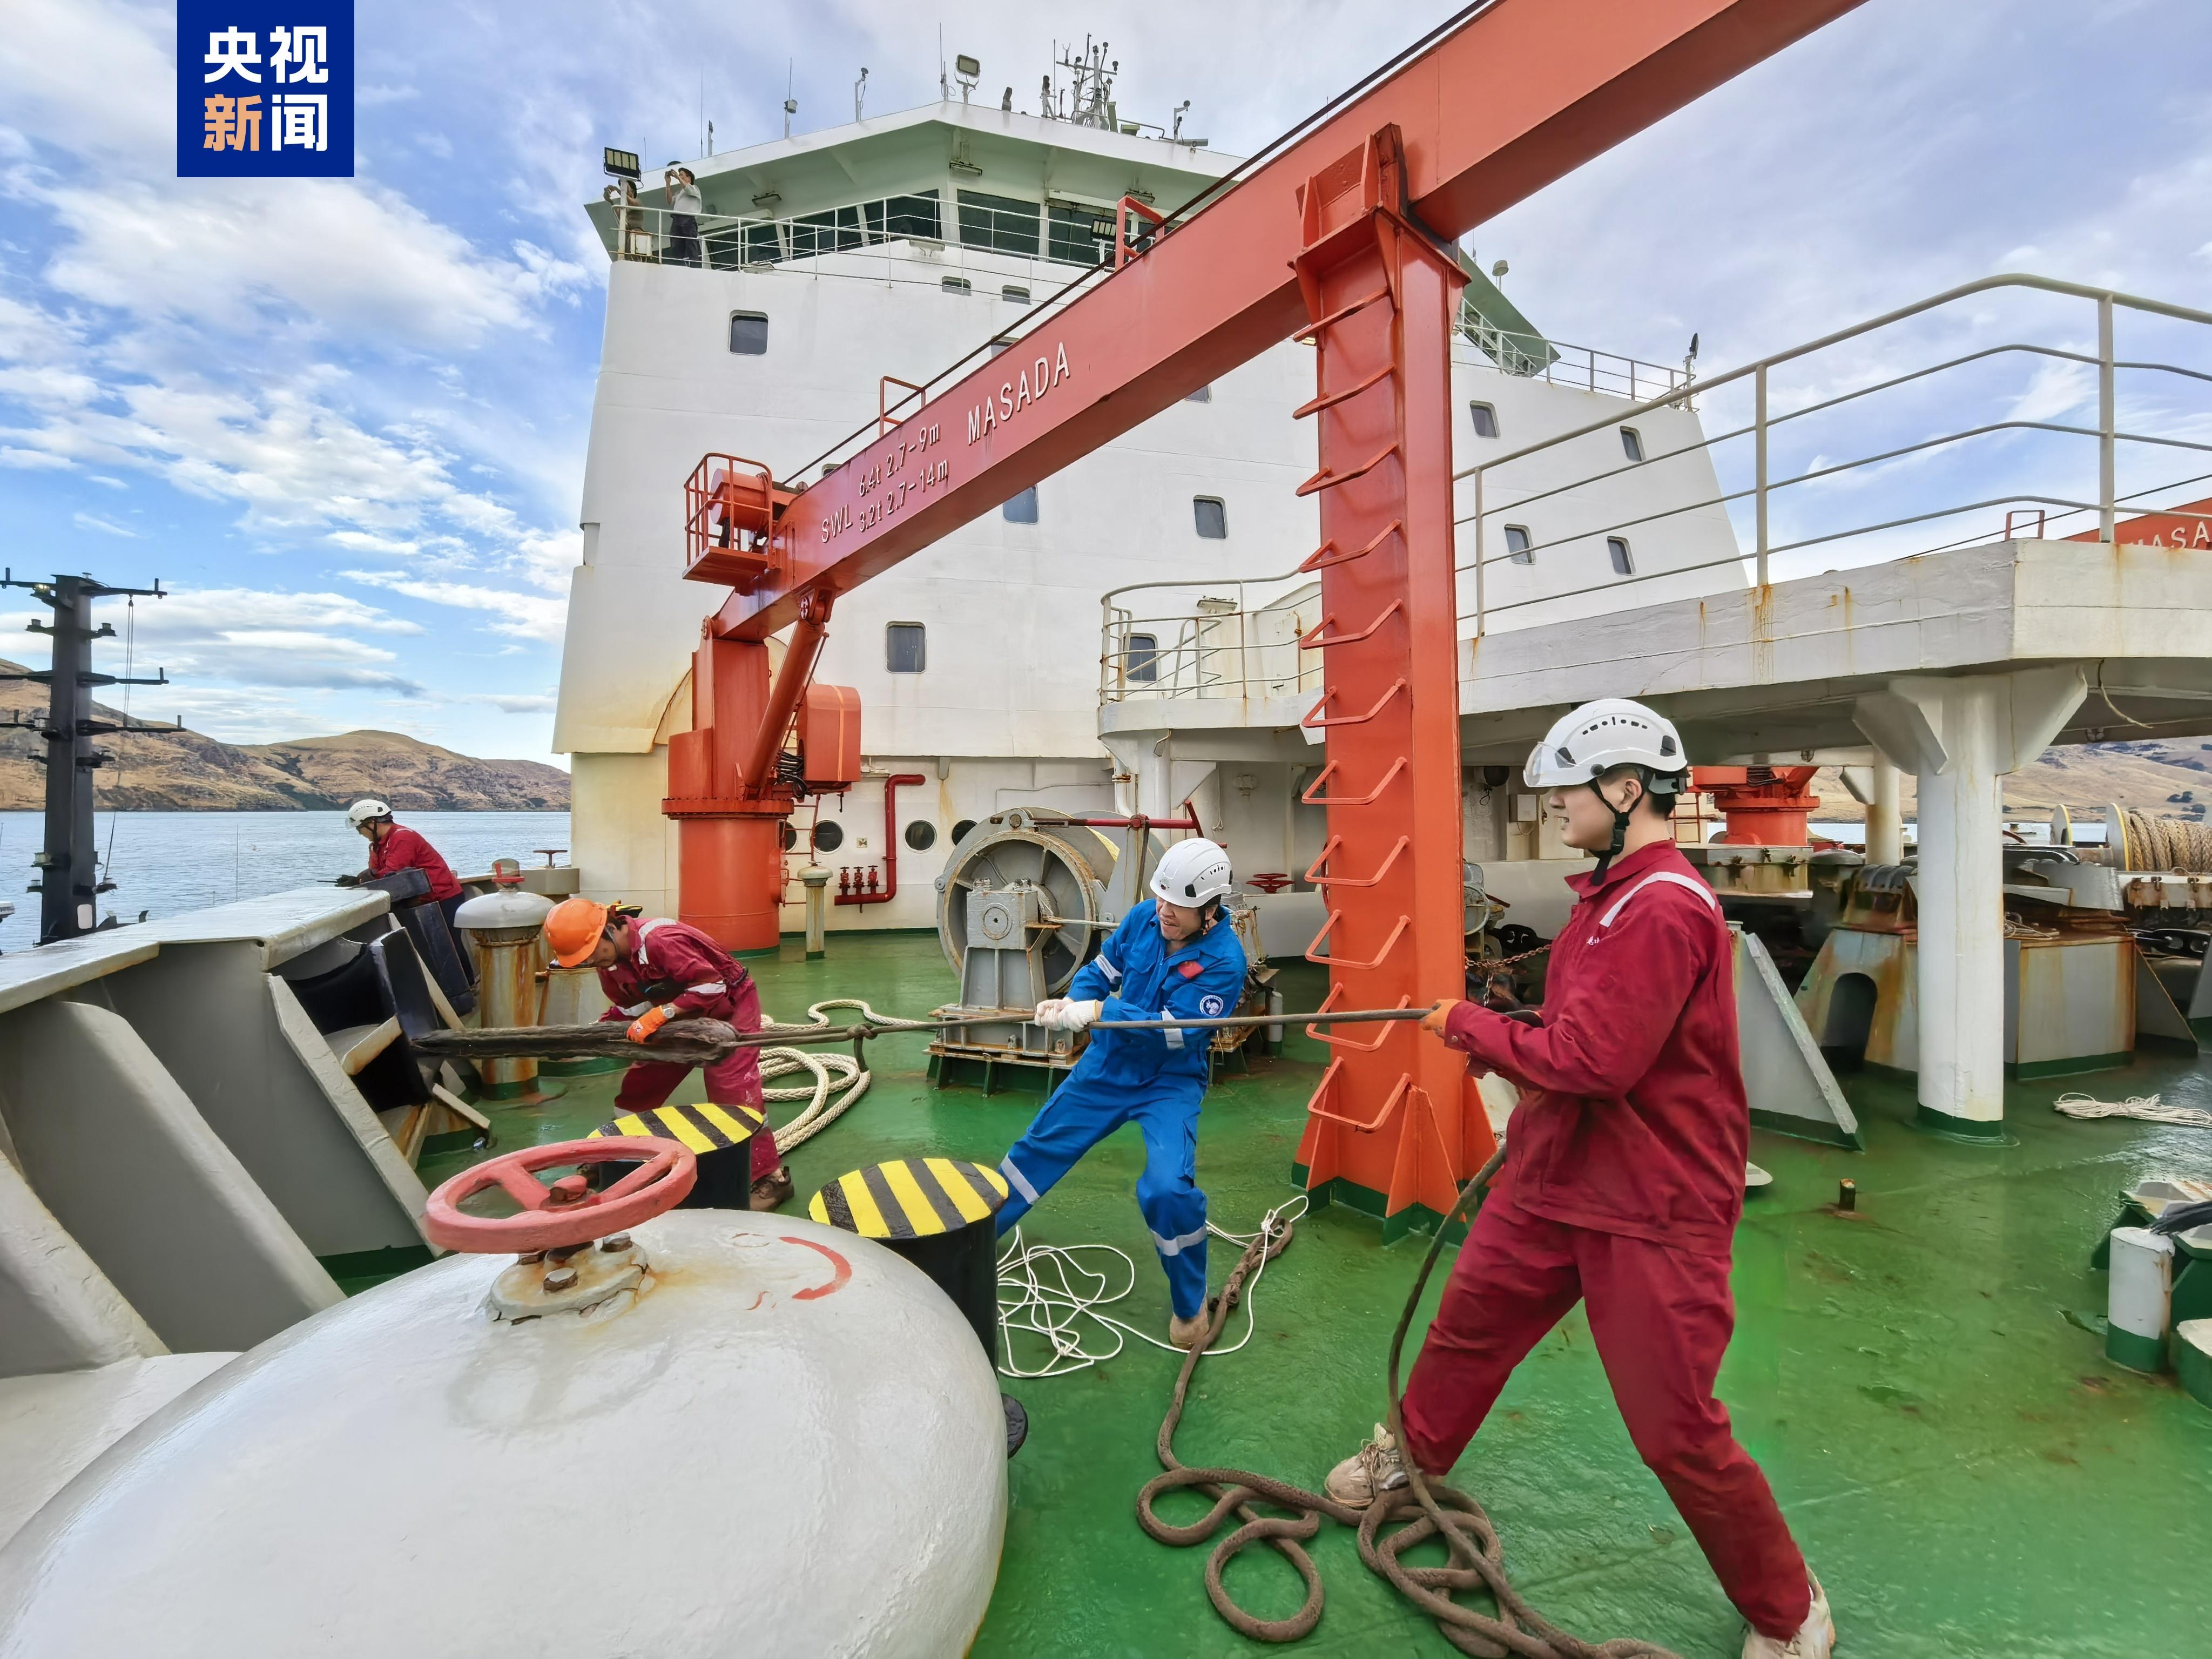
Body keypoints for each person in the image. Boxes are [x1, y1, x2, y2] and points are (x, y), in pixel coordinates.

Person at [1323, 698, 1836, 1659]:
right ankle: (1412, 1464)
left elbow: (1595, 1061)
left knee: (1675, 1425)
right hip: (1556, 1173)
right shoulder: (1611, 897)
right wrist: (1512, 1033)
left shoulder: (1662, 906)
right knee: (1468, 1329)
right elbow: (1582, 1038)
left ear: (1627, 788)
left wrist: (1469, 1027)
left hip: (1649, 1201)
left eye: (1567, 789)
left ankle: (1787, 1605)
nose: (1556, 804)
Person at [994, 838, 1246, 1349]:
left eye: (1179, 905)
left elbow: (1175, 1032)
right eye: (1161, 897)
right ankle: (976, 1238)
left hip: (1169, 1081)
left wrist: (1101, 1012)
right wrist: (1072, 1002)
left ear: (1210, 909)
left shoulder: (1225, 962)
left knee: (1168, 1191)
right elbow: (1102, 972)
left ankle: (1189, 1304)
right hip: (1108, 1065)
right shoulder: (1142, 919)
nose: (1165, 911)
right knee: (1036, 1150)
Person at [542, 896, 792, 1210]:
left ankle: (770, 1177)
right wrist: (594, 1033)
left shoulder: (660, 941)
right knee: (641, 1085)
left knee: (732, 1092)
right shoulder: (609, 963)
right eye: (585, 958)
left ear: (609, 930)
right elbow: (630, 1008)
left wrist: (663, 1014)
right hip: (679, 1014)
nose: (592, 961)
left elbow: (712, 986)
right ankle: (615, 1156)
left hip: (731, 1007)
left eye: (592, 952)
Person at [340, 798, 466, 939]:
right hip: (420, 901)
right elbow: (377, 872)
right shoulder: (377, 845)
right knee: (428, 946)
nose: (359, 833)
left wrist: (362, 880)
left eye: (359, 828)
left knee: (448, 946)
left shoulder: (402, 837)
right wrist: (358, 880)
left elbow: (391, 874)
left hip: (442, 899)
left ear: (372, 822)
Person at [664, 166, 704, 267]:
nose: (680, 177)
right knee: (676, 246)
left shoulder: (694, 189)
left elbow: (687, 188)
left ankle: (695, 267)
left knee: (691, 245)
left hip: (688, 219)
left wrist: (678, 178)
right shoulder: (680, 193)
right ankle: (680, 267)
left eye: (682, 175)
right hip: (677, 219)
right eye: (680, 175)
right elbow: (670, 201)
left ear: (689, 178)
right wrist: (668, 183)